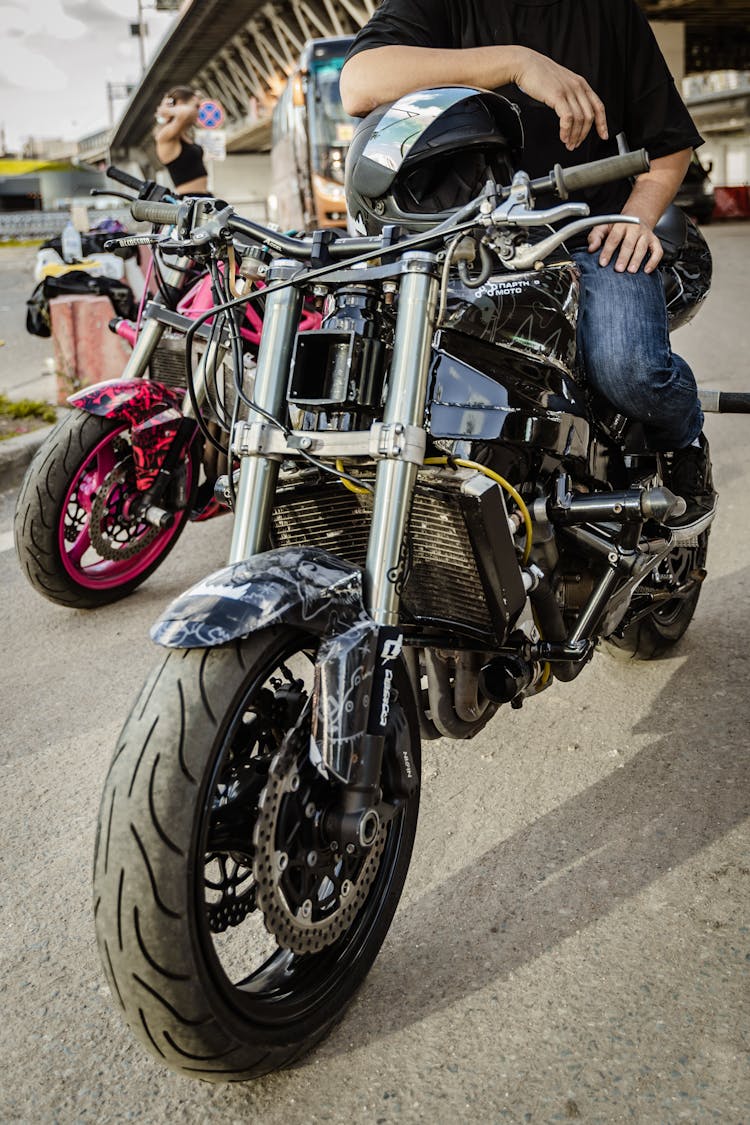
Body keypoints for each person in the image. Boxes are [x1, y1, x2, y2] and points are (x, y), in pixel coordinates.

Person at [340, 0, 716, 528]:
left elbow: (669, 146)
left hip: (588, 236)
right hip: (462, 246)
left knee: (632, 373)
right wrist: (517, 63)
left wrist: (638, 217)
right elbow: (358, 83)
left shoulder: (608, 13)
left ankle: (685, 441)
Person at [154, 86, 209, 196]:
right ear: (178, 104)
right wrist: (167, 109)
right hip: (189, 201)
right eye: (196, 106)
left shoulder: (184, 135)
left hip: (204, 197)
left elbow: (187, 112)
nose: (198, 112)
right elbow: (187, 112)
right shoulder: (164, 136)